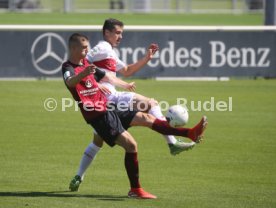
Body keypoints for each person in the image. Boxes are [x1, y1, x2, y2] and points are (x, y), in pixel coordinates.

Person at [62, 33, 207, 199]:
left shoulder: (87, 63)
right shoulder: (68, 67)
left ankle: (190, 133)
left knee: (147, 118)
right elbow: (70, 82)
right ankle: (135, 190)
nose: (87, 50)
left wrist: (112, 85)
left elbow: (104, 76)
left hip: (109, 107)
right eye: (84, 47)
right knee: (131, 145)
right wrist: (84, 75)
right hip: (98, 115)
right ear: (73, 48)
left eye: (88, 46)